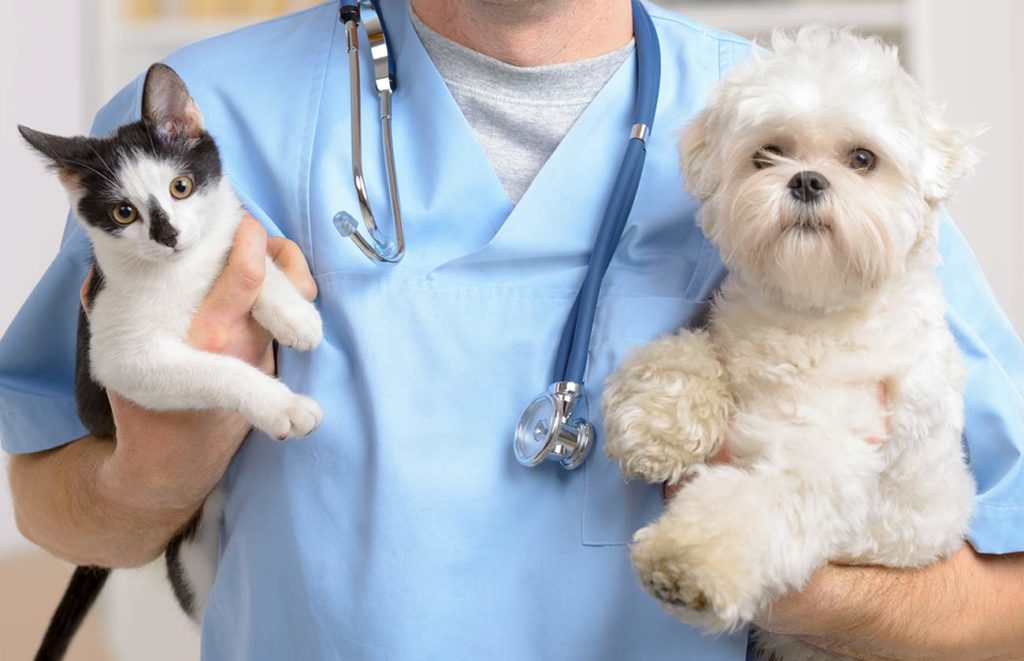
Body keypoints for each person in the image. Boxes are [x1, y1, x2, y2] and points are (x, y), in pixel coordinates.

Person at [4, 0, 1024, 658]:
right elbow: (50, 498)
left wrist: (809, 586)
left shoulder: (779, 119)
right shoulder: (211, 120)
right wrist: (153, 476)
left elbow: (1007, 596)